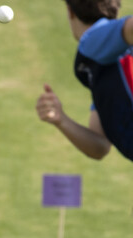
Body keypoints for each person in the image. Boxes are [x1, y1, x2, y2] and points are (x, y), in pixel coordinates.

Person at [36, 0, 133, 161]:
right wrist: (61, 119)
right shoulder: (105, 67)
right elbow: (100, 146)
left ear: (70, 12)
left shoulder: (93, 41)